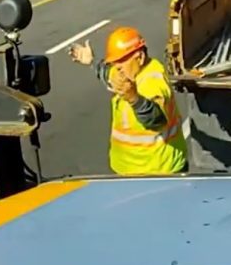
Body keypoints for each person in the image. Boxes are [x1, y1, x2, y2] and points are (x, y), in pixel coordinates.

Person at [69, 26, 186, 175]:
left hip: (158, 173)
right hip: (125, 172)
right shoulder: (125, 73)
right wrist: (92, 61)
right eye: (114, 62)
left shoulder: (153, 80)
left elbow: (156, 120)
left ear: (140, 57)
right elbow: (108, 74)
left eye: (122, 61)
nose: (117, 68)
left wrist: (133, 98)